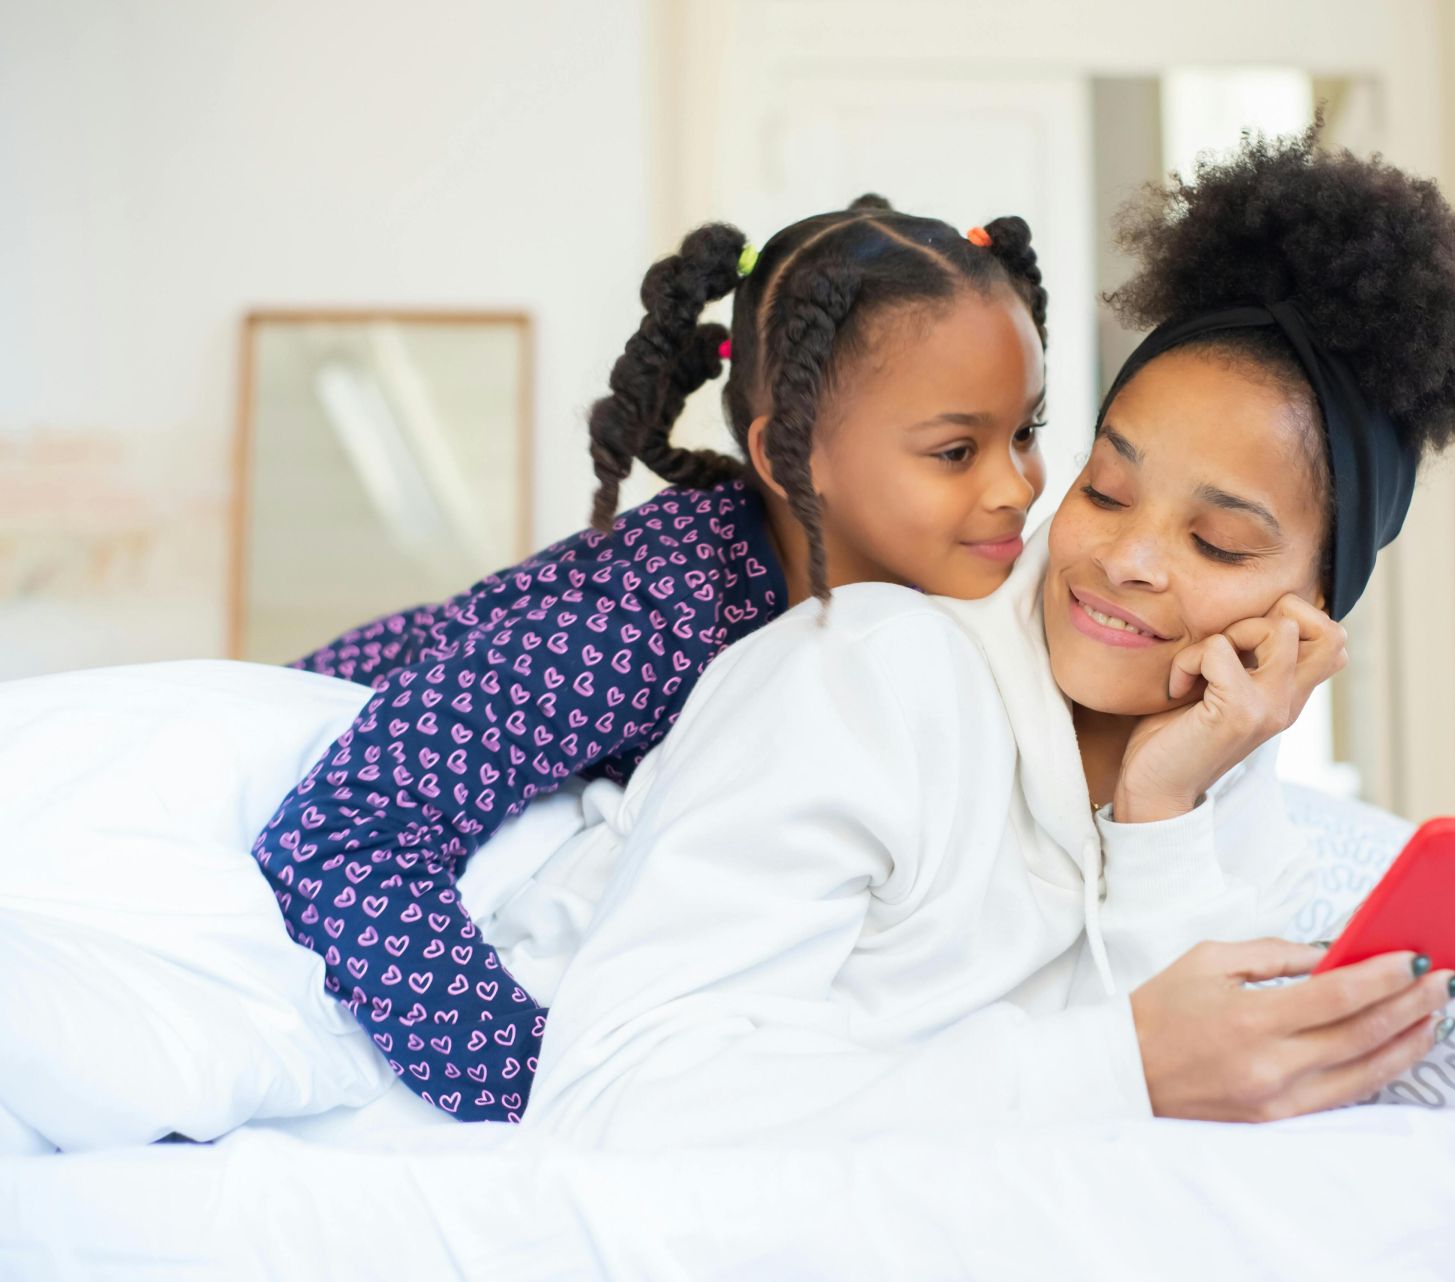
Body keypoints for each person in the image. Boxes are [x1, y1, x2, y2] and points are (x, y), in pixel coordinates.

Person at [522, 128, 1455, 1147]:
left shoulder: (1231, 801)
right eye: (1106, 488)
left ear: (1315, 606)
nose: (1128, 557)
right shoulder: (866, 679)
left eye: (1217, 544)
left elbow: (1208, 1134)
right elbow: (611, 1103)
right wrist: (1119, 1066)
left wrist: (1159, 811)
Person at [250, 196, 1052, 1120]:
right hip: (345, 701)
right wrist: (538, 1086)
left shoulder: (947, 596)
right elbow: (344, 834)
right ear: (794, 458)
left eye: (1026, 430)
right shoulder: (655, 608)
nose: (1016, 486)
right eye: (957, 450)